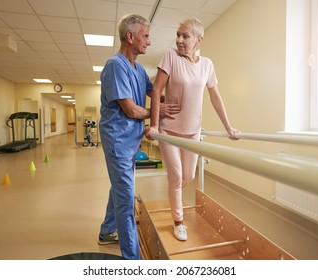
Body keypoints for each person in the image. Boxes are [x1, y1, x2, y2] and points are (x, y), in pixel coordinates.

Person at [145, 18, 238, 242]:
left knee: (188, 176)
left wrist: (228, 127)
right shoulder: (170, 56)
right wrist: (154, 124)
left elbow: (215, 96)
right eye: (178, 35)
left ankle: (173, 193)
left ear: (198, 40)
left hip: (193, 132)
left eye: (185, 36)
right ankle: (178, 222)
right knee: (176, 176)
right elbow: (157, 91)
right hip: (169, 131)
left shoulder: (207, 64)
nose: (179, 40)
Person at [97, 13, 153, 260]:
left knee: (119, 188)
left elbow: (158, 93)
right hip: (118, 142)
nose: (148, 42)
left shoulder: (139, 70)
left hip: (131, 141)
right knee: (126, 197)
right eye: (146, 36)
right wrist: (154, 115)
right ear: (130, 36)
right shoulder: (115, 66)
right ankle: (132, 261)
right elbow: (130, 109)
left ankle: (107, 231)